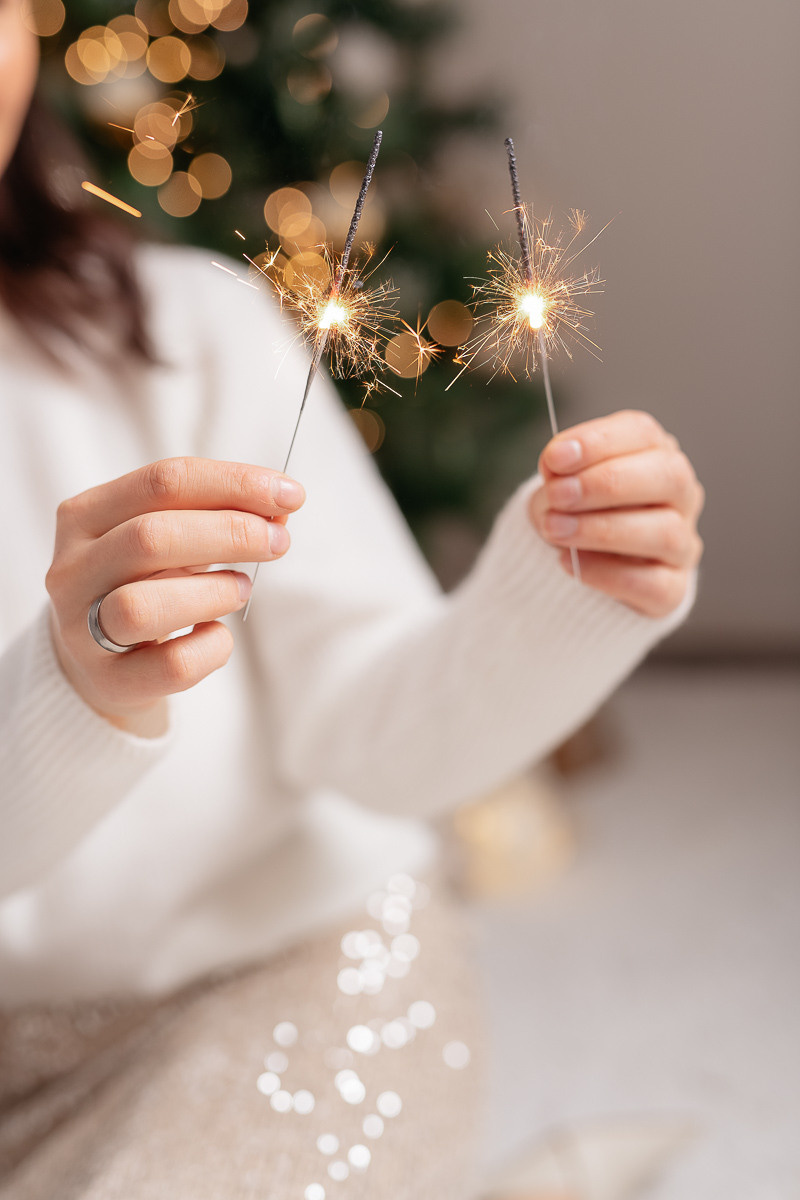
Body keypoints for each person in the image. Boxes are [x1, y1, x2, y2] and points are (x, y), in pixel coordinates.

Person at [0, 4, 704, 1197]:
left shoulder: (188, 331)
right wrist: (60, 696)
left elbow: (376, 738)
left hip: (270, 991)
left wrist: (558, 606)